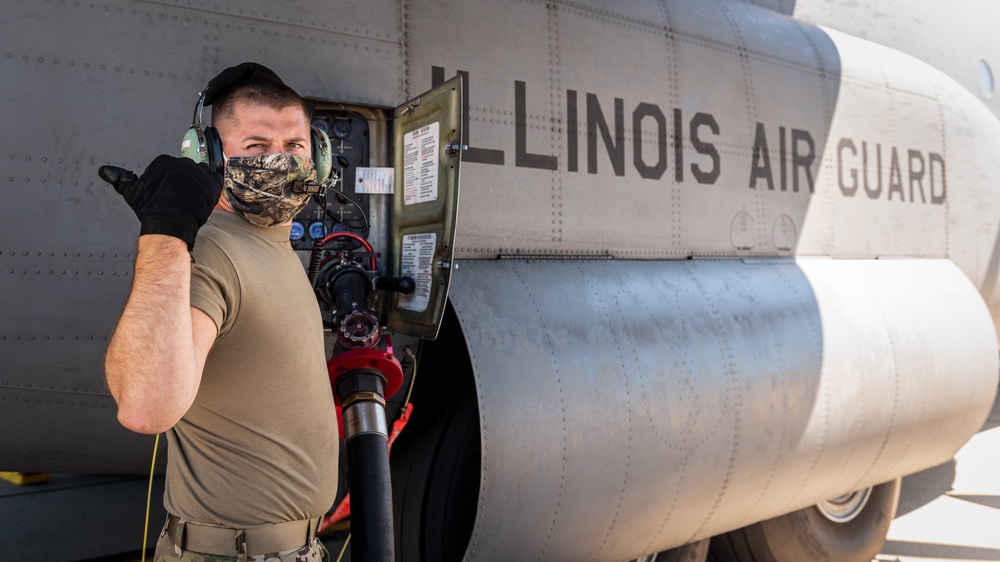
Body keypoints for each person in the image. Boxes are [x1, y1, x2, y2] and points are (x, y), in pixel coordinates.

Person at [103, 63, 338, 562]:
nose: (280, 160)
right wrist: (167, 231)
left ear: (318, 153)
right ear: (209, 156)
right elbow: (145, 407)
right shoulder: (210, 252)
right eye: (255, 147)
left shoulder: (273, 244)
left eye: (294, 146)